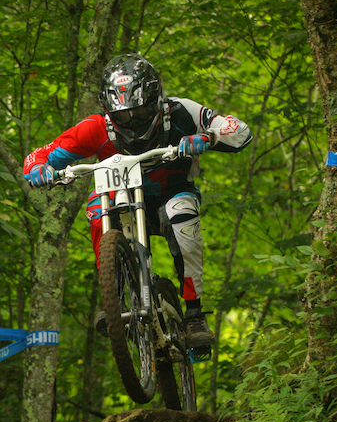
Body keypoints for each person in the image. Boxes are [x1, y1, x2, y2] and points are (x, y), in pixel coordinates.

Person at [22, 53, 252, 348]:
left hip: (171, 193)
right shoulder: (95, 127)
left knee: (181, 216)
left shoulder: (181, 113)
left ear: (156, 102)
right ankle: (115, 296)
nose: (131, 122)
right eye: (122, 116)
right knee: (96, 209)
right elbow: (41, 153)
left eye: (140, 113)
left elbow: (238, 128)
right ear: (108, 111)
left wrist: (207, 137)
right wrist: (39, 169)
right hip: (118, 198)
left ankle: (194, 312)